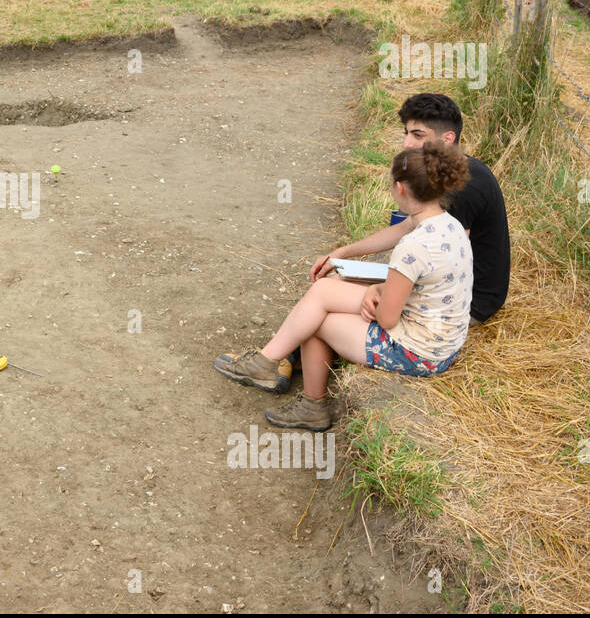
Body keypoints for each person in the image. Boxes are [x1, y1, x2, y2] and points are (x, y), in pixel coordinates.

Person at [214, 143, 473, 431]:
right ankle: (268, 362)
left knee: (318, 320)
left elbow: (388, 319)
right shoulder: (450, 225)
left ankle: (309, 402)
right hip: (443, 339)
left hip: (419, 352)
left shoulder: (412, 247)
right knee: (325, 291)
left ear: (400, 188)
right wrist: (374, 285)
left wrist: (377, 292)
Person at [312, 92, 510, 326]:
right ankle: (295, 356)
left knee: (333, 294)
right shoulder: (449, 173)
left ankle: (291, 356)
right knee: (336, 282)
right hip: (441, 287)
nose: (407, 143)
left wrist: (381, 288)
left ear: (447, 138)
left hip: (464, 303)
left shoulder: (464, 188)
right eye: (406, 133)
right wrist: (343, 253)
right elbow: (408, 226)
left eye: (418, 135)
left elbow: (447, 266)